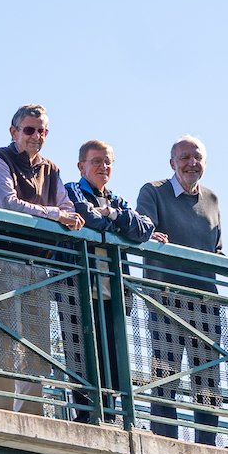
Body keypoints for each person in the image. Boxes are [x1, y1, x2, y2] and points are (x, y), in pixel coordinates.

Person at [0, 104, 85, 414]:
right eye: (29, 130)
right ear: (14, 132)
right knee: (3, 342)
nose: (36, 136)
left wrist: (61, 214)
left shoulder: (50, 168)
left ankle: (30, 416)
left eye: (42, 131)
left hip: (38, 264)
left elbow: (70, 209)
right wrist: (54, 215)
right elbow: (7, 204)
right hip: (1, 257)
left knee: (36, 348)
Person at [65, 140, 168, 421]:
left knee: (112, 354)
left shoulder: (115, 200)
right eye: (96, 161)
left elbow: (145, 227)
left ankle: (110, 415)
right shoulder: (72, 190)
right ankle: (87, 415)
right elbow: (87, 217)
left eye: (107, 162)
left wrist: (112, 215)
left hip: (114, 292)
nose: (103, 167)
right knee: (82, 354)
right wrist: (123, 226)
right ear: (81, 166)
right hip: (80, 290)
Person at [136, 135, 224, 445]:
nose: (191, 163)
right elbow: (141, 230)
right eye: (184, 157)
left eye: (196, 157)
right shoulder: (153, 191)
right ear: (172, 163)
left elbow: (217, 251)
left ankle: (208, 444)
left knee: (208, 378)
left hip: (206, 303)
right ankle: (164, 440)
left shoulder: (212, 199)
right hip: (166, 300)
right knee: (166, 374)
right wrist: (151, 236)